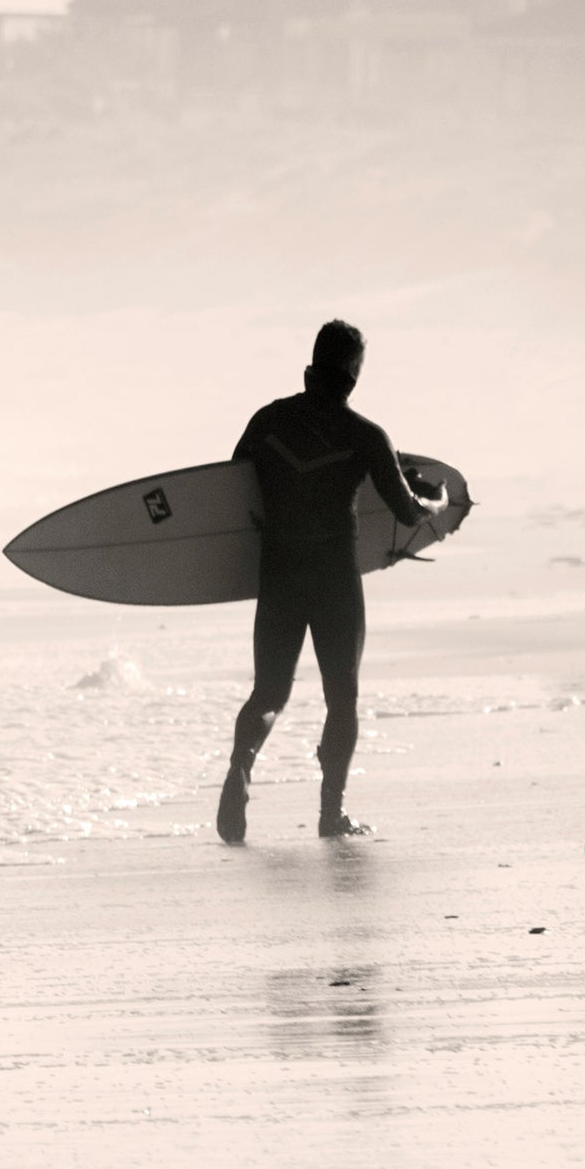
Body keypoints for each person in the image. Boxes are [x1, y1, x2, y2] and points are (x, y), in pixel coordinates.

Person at [218, 319, 442, 843]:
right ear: (352, 376)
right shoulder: (364, 436)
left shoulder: (267, 421)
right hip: (334, 579)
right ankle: (330, 813)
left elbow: (229, 492)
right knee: (341, 699)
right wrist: (435, 499)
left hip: (279, 572)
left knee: (269, 692)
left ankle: (240, 769)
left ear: (313, 365)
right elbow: (407, 513)